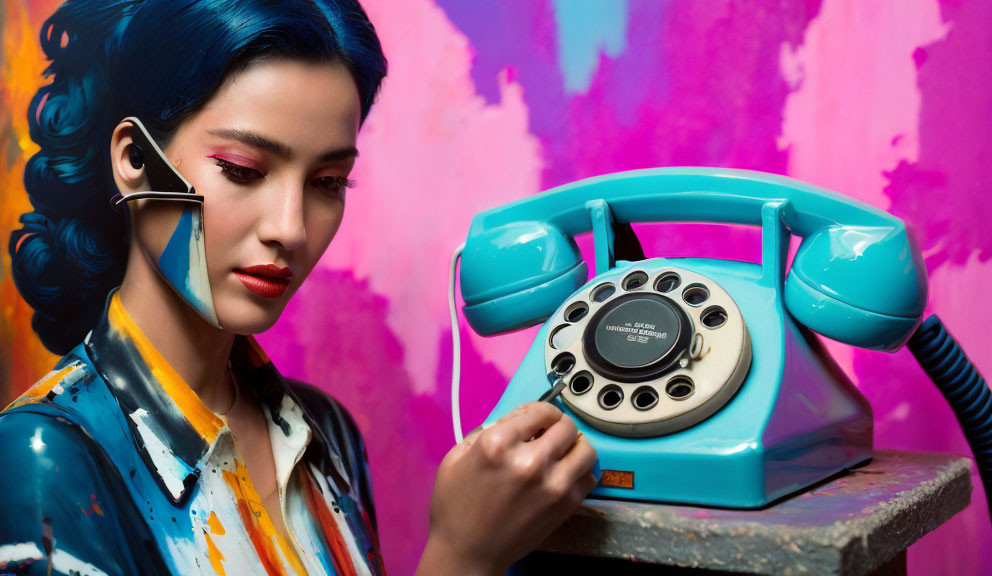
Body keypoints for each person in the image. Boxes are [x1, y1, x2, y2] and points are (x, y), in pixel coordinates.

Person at [0, 1, 599, 575]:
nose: (290, 228)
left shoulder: (326, 434)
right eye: (243, 170)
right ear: (134, 158)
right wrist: (463, 558)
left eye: (328, 181)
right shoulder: (43, 461)